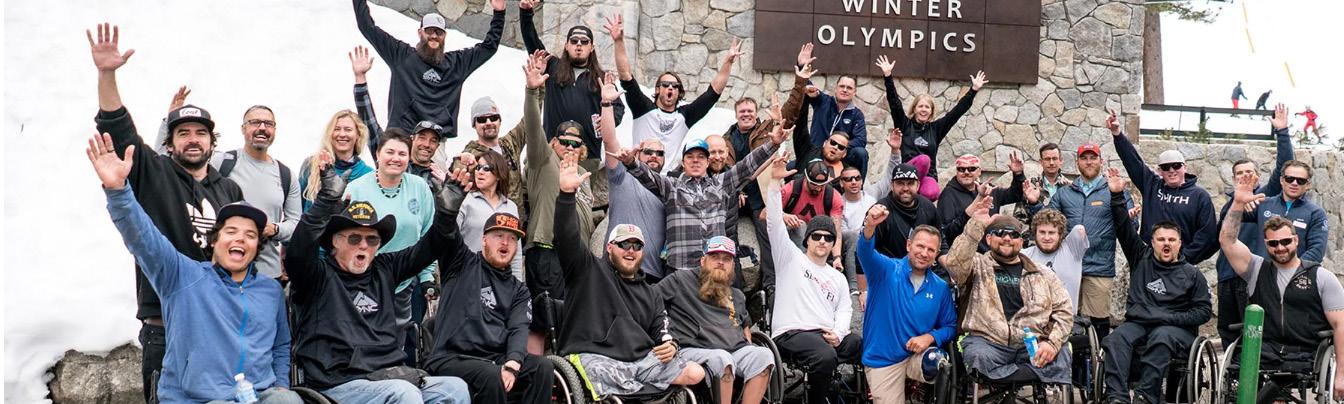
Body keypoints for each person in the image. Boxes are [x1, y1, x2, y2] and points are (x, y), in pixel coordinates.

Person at [88, 24, 247, 399]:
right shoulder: (153, 173)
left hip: (218, 324)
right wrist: (107, 75)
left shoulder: (230, 191)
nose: (193, 139)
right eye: (183, 133)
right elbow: (118, 129)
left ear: (212, 142)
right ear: (170, 143)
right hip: (164, 324)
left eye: (200, 133)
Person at [87, 133, 299, 404]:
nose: (240, 239)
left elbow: (281, 345)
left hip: (258, 394)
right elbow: (143, 238)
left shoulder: (270, 290)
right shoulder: (183, 276)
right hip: (195, 398)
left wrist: (280, 386)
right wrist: (118, 192)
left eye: (250, 235)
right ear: (214, 241)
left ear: (257, 246)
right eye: (231, 231)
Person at [284, 150, 468, 403]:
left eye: (372, 240)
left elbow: (430, 247)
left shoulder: (384, 268)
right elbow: (297, 251)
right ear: (335, 242)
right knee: (404, 393)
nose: (364, 245)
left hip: (388, 374)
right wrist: (326, 200)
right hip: (337, 383)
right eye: (354, 238)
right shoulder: (317, 274)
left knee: (454, 388)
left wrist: (446, 215)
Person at [553, 162, 708, 397]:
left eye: (637, 246)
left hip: (639, 361)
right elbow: (567, 237)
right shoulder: (587, 269)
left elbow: (663, 329)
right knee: (609, 377)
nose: (630, 250)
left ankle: (637, 389)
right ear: (609, 248)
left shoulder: (651, 292)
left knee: (695, 372)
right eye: (624, 244)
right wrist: (566, 195)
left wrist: (670, 344)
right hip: (594, 356)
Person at [422, 174, 552, 404]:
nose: (505, 243)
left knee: (542, 367)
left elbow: (519, 328)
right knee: (492, 376)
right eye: (499, 236)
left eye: (512, 238)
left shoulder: (519, 290)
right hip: (451, 357)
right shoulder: (460, 262)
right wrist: (447, 212)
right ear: (484, 240)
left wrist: (513, 361)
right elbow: (446, 234)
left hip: (494, 359)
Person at [1218, 175, 1344, 400]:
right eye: (1273, 243)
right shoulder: (1255, 269)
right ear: (1266, 245)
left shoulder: (1322, 277)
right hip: (1262, 350)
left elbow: (1340, 325)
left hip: (1305, 353)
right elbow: (1227, 241)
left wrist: (1341, 374)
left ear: (1296, 240)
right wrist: (1237, 203)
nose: (1280, 247)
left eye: (1285, 241)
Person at [614, 115, 787, 274]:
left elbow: (746, 166)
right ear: (683, 162)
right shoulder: (671, 186)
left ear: (707, 162)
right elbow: (647, 176)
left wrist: (773, 144)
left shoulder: (721, 184)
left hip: (713, 271)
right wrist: (630, 161)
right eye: (690, 156)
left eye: (701, 157)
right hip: (679, 270)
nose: (695, 160)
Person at [153, 98, 302, 281]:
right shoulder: (222, 162)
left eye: (268, 123)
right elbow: (165, 169)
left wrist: (275, 229)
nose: (262, 128)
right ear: (243, 128)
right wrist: (169, 123)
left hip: (267, 274)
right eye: (255, 122)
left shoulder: (286, 175)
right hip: (224, 274)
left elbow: (296, 224)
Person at [1100, 168, 1212, 404]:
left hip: (1175, 329)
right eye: (1161, 239)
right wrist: (1117, 196)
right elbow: (1123, 228)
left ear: (1180, 243)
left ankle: (1146, 396)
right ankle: (1117, 397)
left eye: (1171, 239)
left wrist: (1172, 318)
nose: (1166, 244)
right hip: (1139, 323)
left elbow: (1203, 311)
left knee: (1161, 336)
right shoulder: (1140, 257)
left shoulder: (1192, 274)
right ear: (1152, 242)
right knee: (1116, 338)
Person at [942, 193, 1073, 385]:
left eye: (1014, 234)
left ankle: (1011, 376)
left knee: (1062, 354)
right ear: (988, 239)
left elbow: (1064, 310)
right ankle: (1016, 377)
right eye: (1000, 233)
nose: (1007, 238)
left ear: (1022, 241)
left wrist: (1051, 343)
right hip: (989, 344)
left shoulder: (1043, 273)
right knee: (977, 356)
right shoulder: (976, 265)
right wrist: (975, 226)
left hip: (1031, 345)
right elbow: (954, 265)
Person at [759, 155, 861, 404]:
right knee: (824, 356)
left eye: (828, 237)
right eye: (816, 236)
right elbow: (774, 223)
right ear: (807, 240)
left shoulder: (836, 276)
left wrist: (838, 334)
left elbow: (845, 309)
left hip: (826, 335)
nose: (822, 241)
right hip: (792, 332)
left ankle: (846, 394)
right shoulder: (790, 258)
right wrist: (774, 184)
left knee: (859, 344)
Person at [520, 51, 598, 354]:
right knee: (543, 322)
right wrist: (533, 91)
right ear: (553, 142)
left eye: (576, 144)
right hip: (546, 252)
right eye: (564, 141)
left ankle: (564, 375)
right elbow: (532, 126)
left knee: (572, 322)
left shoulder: (583, 175)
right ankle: (537, 372)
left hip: (575, 259)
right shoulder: (543, 160)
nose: (569, 147)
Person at [343, 131, 440, 366]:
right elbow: (342, 237)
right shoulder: (356, 189)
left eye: (402, 154)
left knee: (401, 345)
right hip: (364, 280)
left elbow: (429, 234)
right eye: (390, 152)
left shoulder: (419, 187)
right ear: (377, 155)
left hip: (405, 282)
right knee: (364, 343)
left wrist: (427, 276)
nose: (396, 158)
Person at [607, 15, 740, 172]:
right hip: (639, 173)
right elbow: (626, 76)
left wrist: (728, 62)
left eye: (675, 86)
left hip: (667, 180)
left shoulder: (685, 116)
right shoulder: (642, 108)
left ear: (679, 91)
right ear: (657, 89)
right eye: (665, 85)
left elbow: (713, 93)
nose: (670, 88)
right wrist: (619, 42)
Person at [1023, 143, 1130, 338]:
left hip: (1098, 266)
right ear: (1077, 162)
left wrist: (1121, 202)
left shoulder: (1114, 189)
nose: (1089, 162)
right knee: (1063, 317)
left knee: (1098, 321)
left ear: (1101, 161)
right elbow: (1047, 222)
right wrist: (1034, 204)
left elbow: (1130, 225)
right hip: (1066, 266)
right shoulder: (1065, 192)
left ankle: (1099, 356)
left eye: (1093, 158)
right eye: (1084, 158)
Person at [352, 0, 505, 133]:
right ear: (420, 32)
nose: (434, 36)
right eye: (429, 31)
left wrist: (499, 13)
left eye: (439, 32)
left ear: (445, 36)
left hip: (435, 141)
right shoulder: (401, 55)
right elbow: (367, 27)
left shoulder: (457, 64)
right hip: (401, 137)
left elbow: (488, 48)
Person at [654, 237, 774, 404]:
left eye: (726, 259)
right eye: (714, 257)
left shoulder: (737, 295)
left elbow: (744, 324)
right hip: (693, 348)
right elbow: (649, 301)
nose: (720, 262)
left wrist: (747, 333)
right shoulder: (680, 279)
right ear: (703, 260)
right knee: (722, 359)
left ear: (733, 266)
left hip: (734, 349)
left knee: (764, 356)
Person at [857, 206, 956, 403]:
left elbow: (950, 326)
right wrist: (870, 226)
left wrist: (930, 337)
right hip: (883, 360)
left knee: (939, 362)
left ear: (936, 255)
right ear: (908, 245)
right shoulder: (885, 270)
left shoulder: (940, 287)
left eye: (931, 250)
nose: (924, 253)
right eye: (920, 246)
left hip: (916, 356)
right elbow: (865, 252)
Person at [1214, 103, 1295, 343]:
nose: (1245, 176)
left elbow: (1284, 166)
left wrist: (1282, 132)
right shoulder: (1229, 207)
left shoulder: (1266, 197)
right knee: (1228, 333)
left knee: (1253, 332)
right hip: (1227, 276)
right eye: (1240, 173)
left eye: (1249, 172)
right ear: (1233, 179)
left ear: (1258, 177)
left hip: (1253, 275)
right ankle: (1231, 368)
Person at [519, 0, 625, 159]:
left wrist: (609, 118)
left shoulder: (602, 78)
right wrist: (526, 13)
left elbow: (618, 108)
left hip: (588, 155)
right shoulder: (551, 67)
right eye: (574, 41)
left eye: (584, 42)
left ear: (592, 48)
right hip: (552, 154)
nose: (579, 45)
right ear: (566, 46)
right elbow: (532, 42)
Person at [1111, 112, 1220, 265]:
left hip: (1180, 266)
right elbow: (1133, 161)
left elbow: (1207, 235)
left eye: (1176, 166)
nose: (1171, 170)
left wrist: (1183, 259)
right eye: (1166, 167)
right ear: (1159, 171)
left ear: (1185, 167)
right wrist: (1117, 134)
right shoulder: (1152, 185)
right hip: (1148, 262)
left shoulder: (1199, 196)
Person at [876, 54, 987, 181]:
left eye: (927, 107)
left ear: (931, 111)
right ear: (914, 109)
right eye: (920, 106)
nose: (923, 109)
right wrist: (888, 76)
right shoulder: (904, 125)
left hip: (928, 177)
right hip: (906, 177)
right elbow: (894, 103)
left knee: (932, 189)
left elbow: (956, 113)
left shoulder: (936, 129)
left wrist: (973, 90)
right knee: (924, 159)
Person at [446, 94, 528, 209]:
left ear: (499, 121)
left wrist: (533, 90)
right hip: (486, 218)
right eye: (482, 119)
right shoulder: (470, 154)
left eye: (493, 118)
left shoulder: (511, 143)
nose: (489, 122)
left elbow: (530, 119)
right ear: (474, 125)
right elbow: (456, 175)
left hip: (516, 217)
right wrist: (460, 163)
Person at [452, 150, 525, 280]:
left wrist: (517, 283)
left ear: (499, 174)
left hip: (500, 280)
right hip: (468, 276)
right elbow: (449, 238)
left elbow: (516, 252)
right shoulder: (464, 200)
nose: (480, 172)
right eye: (478, 167)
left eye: (486, 168)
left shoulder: (511, 207)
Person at [797, 44, 868, 175]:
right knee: (792, 167)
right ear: (836, 88)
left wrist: (838, 146)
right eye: (842, 86)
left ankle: (857, 186)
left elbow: (861, 140)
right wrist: (802, 66)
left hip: (840, 156)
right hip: (816, 151)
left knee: (861, 153)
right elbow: (808, 88)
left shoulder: (856, 114)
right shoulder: (823, 101)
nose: (845, 90)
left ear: (854, 92)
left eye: (849, 88)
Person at [936, 153, 1025, 245]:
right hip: (964, 249)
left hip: (991, 248)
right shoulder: (948, 195)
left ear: (979, 171)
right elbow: (946, 232)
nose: (966, 172)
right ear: (957, 172)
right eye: (961, 169)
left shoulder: (988, 189)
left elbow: (1016, 195)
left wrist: (1018, 174)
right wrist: (969, 213)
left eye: (972, 169)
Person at [298, 110, 375, 212]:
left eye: (348, 130)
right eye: (337, 129)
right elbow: (297, 208)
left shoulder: (368, 174)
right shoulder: (311, 165)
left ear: (358, 135)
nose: (342, 134)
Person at [1021, 209, 1088, 314]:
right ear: (1035, 233)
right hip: (1034, 319)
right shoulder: (1024, 255)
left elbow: (1079, 229)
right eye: (1042, 232)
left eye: (1051, 233)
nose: (1046, 237)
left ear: (1060, 235)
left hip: (1065, 319)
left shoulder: (1072, 250)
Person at [871, 163, 943, 260]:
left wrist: (945, 262)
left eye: (910, 183)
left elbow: (940, 239)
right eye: (900, 183)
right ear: (892, 185)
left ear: (918, 185)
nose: (905, 188)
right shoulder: (881, 211)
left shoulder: (928, 207)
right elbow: (865, 248)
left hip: (923, 264)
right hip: (889, 266)